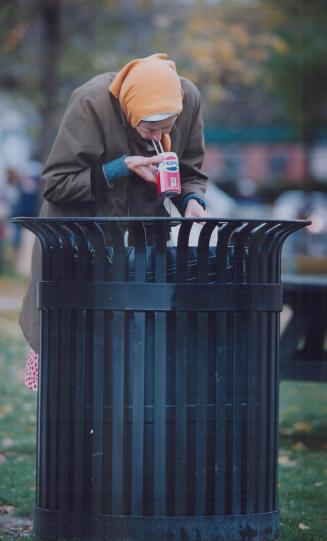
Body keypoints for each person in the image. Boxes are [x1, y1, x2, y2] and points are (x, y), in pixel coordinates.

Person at [20, 53, 208, 390]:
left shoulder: (187, 99)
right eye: (151, 127)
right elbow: (55, 184)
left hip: (140, 250)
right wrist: (120, 168)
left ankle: (125, 434)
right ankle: (72, 435)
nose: (161, 135)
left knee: (133, 358)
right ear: (131, 109)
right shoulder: (91, 102)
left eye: (169, 127)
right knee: (74, 357)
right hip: (78, 245)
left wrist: (191, 201)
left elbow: (189, 171)